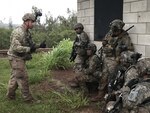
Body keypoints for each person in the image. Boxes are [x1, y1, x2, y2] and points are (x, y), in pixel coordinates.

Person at [6, 13, 41, 103]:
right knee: (23, 78)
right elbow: (15, 47)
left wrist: (39, 46)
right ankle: (28, 99)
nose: (34, 24)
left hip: (18, 57)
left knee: (15, 78)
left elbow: (30, 44)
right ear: (27, 21)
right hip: (16, 58)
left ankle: (10, 96)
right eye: (32, 22)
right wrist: (29, 49)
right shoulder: (19, 32)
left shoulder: (27, 32)